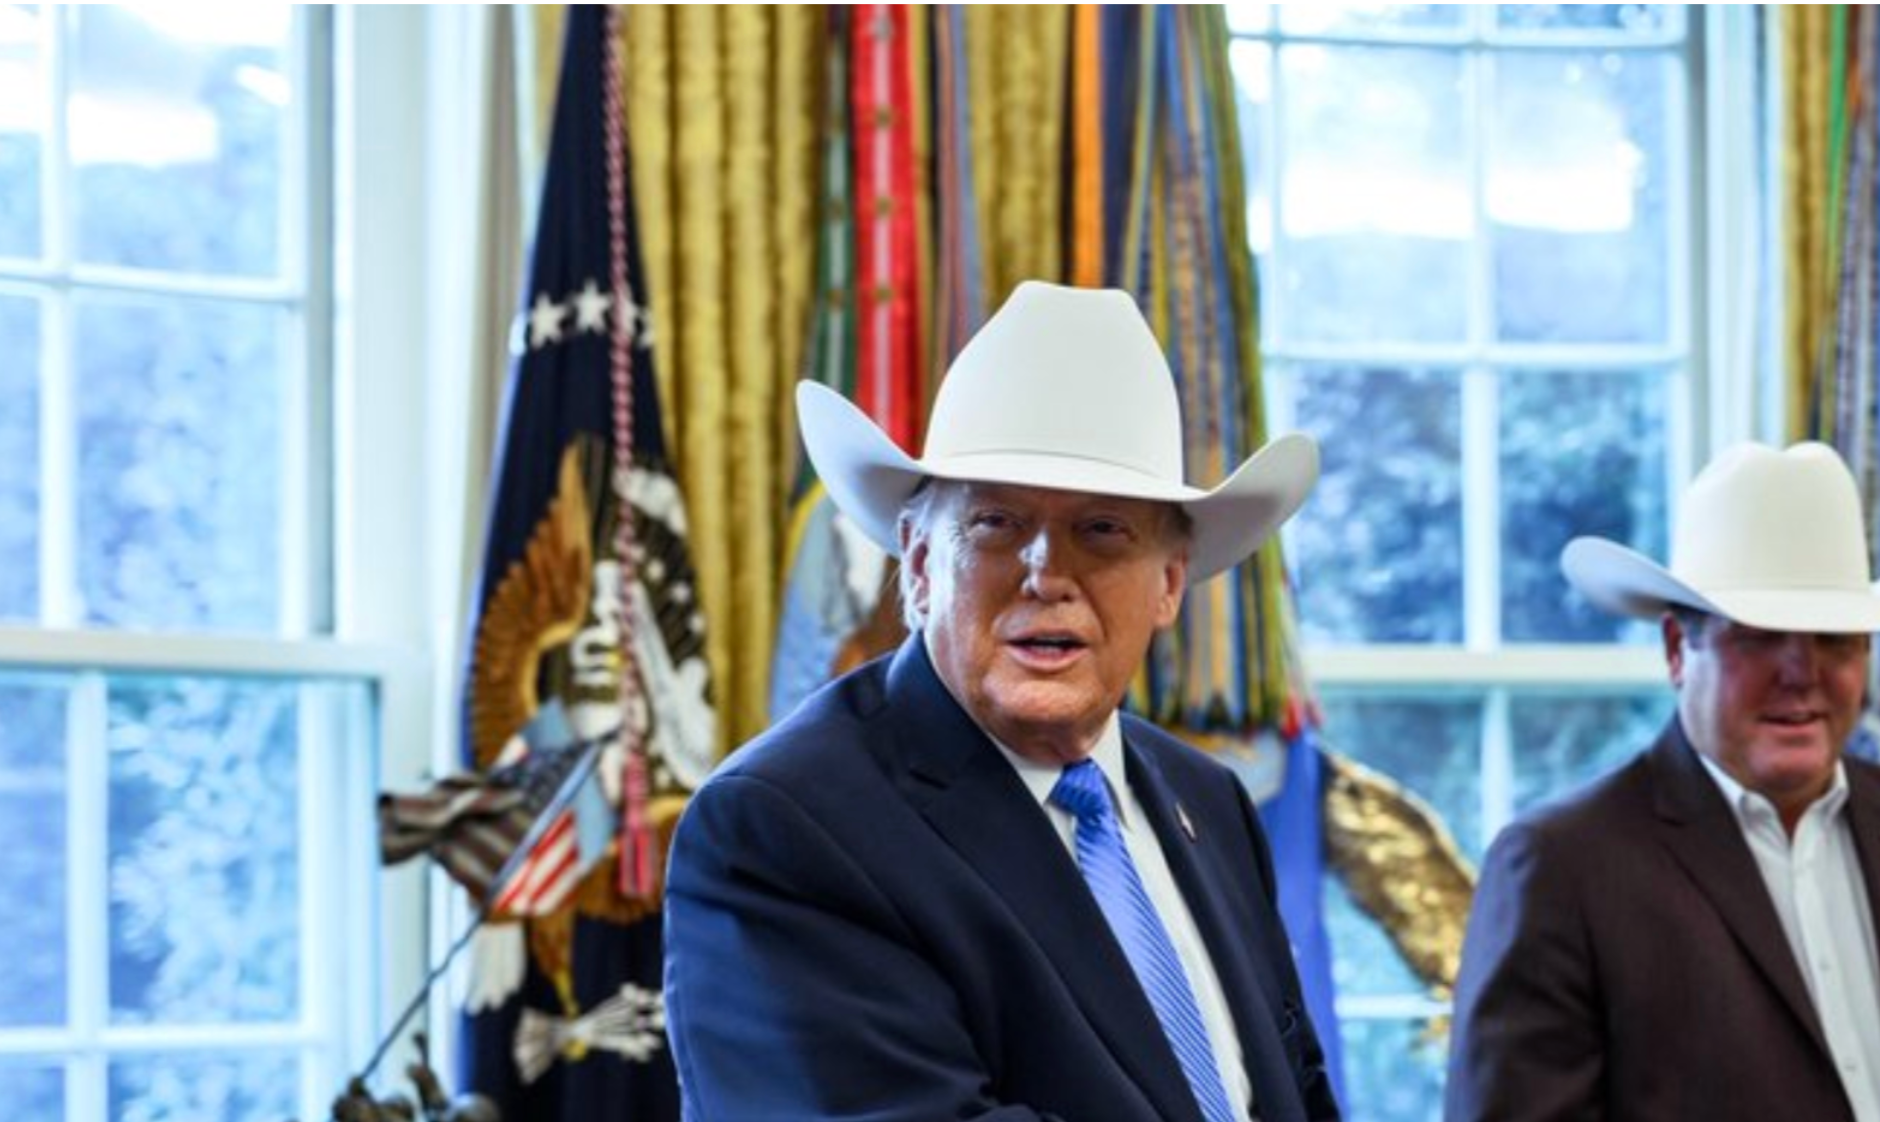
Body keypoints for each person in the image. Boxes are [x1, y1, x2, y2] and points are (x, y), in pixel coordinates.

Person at [663, 281, 1341, 1122]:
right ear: (916, 563)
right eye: (995, 524)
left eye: (1102, 530)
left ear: (1169, 583)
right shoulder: (784, 827)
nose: (1045, 574)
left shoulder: (1208, 801)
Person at [1445, 440, 1880, 1122]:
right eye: (1762, 635)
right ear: (1679, 649)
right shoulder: (1564, 867)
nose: (1803, 672)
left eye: (1835, 638)